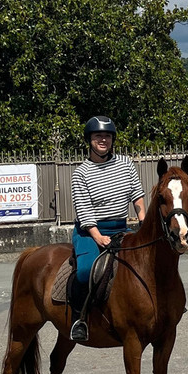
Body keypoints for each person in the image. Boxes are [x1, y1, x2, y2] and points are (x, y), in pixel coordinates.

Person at [69, 115, 146, 341]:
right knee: (85, 272)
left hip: (120, 227)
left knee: (146, 261)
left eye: (107, 136)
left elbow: (137, 195)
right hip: (90, 231)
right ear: (89, 140)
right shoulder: (80, 174)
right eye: (98, 136)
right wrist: (98, 237)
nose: (103, 140)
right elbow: (84, 211)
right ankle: (79, 319)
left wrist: (143, 219)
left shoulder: (126, 164)